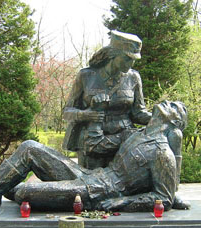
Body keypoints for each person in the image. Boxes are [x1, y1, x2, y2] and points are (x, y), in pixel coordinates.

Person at [0, 100, 189, 212]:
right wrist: (94, 119)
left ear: (175, 122)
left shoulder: (162, 153)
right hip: (89, 175)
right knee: (30, 147)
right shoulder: (135, 134)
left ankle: (12, 189)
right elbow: (97, 146)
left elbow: (164, 198)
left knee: (23, 192)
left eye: (177, 107)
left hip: (99, 192)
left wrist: (123, 201)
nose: (170, 102)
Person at [62, 30, 151, 169]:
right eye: (127, 58)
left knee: (123, 186)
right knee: (91, 184)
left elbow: (138, 113)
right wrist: (86, 114)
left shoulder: (133, 77)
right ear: (113, 55)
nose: (131, 63)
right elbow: (67, 112)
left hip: (123, 141)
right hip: (92, 140)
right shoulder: (86, 76)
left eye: (134, 59)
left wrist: (160, 117)